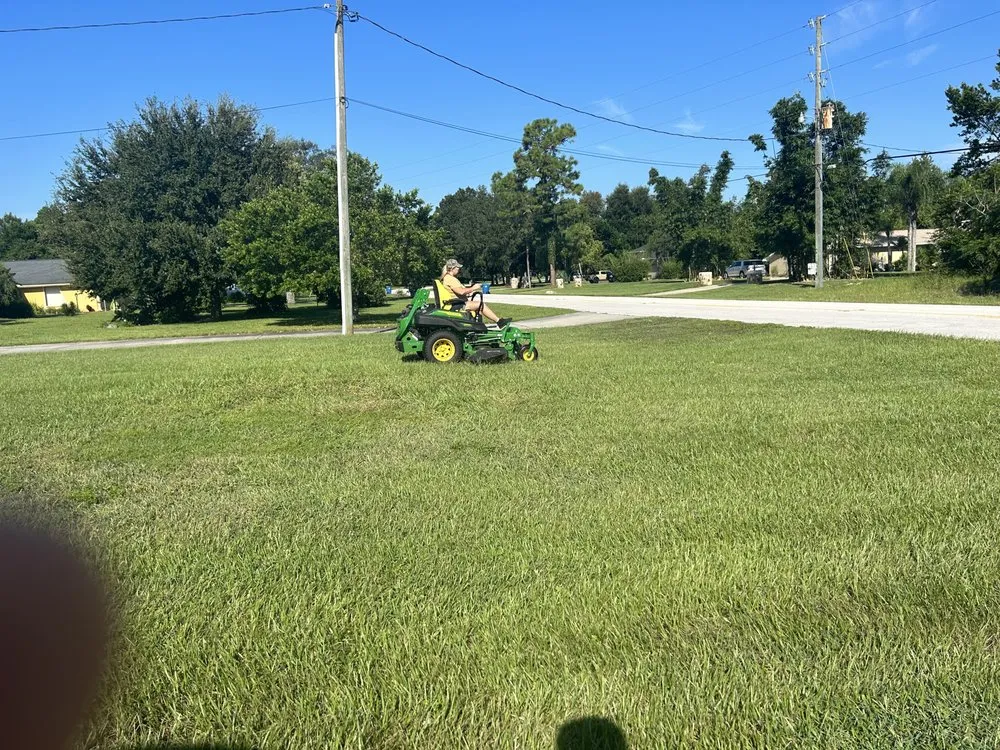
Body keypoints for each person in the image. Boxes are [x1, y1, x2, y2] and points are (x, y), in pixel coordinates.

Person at [440, 259, 511, 328]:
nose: (458, 269)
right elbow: (461, 291)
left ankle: (479, 326)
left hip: (457, 303)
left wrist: (469, 293)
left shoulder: (448, 278)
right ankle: (499, 322)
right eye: (457, 267)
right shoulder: (450, 279)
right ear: (452, 268)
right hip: (457, 305)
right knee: (481, 304)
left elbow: (456, 292)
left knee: (479, 307)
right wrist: (473, 288)